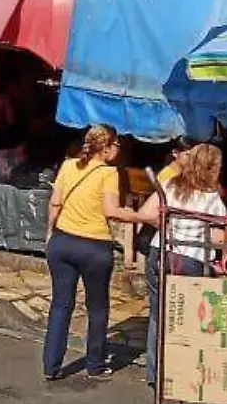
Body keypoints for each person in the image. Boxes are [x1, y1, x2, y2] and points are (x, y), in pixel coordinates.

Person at [42, 125, 148, 381]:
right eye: (117, 145)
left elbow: (55, 204)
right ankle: (95, 364)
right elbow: (111, 210)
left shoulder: (68, 166)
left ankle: (51, 365)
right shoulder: (109, 173)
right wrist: (142, 216)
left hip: (62, 242)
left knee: (60, 305)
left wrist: (49, 234)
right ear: (107, 147)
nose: (119, 150)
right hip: (94, 246)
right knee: (97, 307)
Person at [135, 139, 227, 388]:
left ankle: (155, 373)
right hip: (190, 258)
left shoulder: (169, 184)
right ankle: (180, 372)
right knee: (186, 319)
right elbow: (218, 238)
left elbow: (147, 214)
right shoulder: (212, 199)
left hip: (159, 252)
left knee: (158, 314)